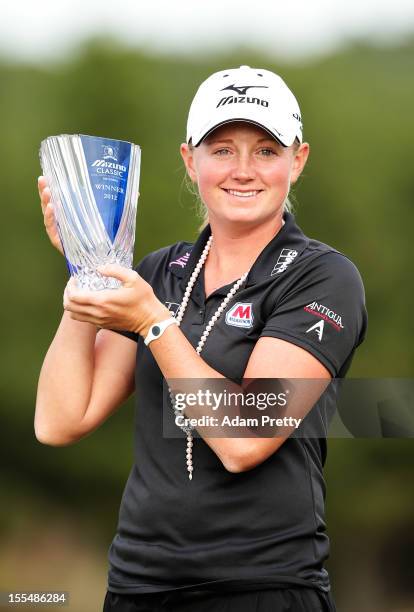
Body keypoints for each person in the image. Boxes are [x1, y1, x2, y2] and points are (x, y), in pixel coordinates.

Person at [36, 65, 367, 611]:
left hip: (262, 586)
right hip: (138, 584)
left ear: (297, 160)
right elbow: (59, 420)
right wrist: (88, 265)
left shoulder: (322, 276)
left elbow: (244, 441)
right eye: (221, 150)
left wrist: (154, 324)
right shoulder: (160, 273)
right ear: (190, 161)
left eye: (265, 150)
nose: (243, 170)